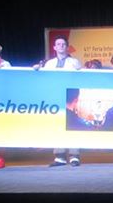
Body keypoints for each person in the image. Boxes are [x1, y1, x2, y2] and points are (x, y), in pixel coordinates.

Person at [34, 35, 83, 167]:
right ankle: (59, 156)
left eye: (63, 44)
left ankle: (74, 156)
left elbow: (82, 78)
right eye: (58, 44)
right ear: (54, 47)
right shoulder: (49, 64)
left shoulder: (74, 63)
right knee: (57, 124)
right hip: (55, 96)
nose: (61, 46)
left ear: (67, 47)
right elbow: (44, 79)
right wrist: (37, 70)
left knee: (72, 124)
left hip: (70, 97)